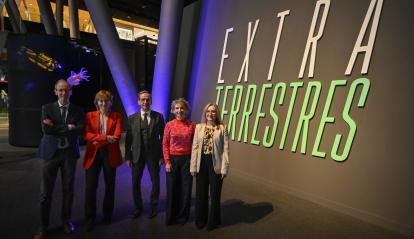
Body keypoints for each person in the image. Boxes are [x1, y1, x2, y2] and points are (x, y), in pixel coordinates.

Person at [35, 80, 84, 239]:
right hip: (50, 154)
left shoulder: (77, 110)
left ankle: (66, 221)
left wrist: (57, 127)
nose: (63, 93)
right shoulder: (46, 108)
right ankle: (43, 227)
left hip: (69, 155)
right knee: (45, 193)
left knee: (68, 190)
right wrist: (68, 127)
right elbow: (46, 130)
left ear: (71, 91)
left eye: (66, 90)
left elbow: (80, 130)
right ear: (55, 91)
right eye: (60, 90)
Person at [83, 90, 122, 232]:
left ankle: (107, 216)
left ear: (110, 102)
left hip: (110, 154)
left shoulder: (117, 116)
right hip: (93, 154)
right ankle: (89, 219)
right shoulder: (89, 116)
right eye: (101, 101)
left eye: (106, 101)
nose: (103, 104)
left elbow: (116, 136)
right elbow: (87, 135)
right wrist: (105, 138)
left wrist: (96, 138)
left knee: (109, 187)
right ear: (97, 102)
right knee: (90, 188)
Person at [125, 90, 165, 219]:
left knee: (155, 182)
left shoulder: (158, 117)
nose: (145, 102)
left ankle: (153, 207)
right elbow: (128, 140)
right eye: (142, 99)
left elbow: (163, 138)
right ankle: (138, 208)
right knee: (135, 183)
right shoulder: (132, 119)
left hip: (153, 155)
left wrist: (162, 156)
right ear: (138, 101)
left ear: (151, 101)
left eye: (147, 99)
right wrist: (128, 157)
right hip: (137, 155)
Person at [190, 103, 229, 230]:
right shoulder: (199, 127)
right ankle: (201, 220)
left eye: (213, 111)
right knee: (201, 194)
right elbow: (195, 148)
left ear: (216, 113)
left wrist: (224, 168)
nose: (210, 114)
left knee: (215, 194)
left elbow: (225, 150)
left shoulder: (222, 128)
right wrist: (193, 167)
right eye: (208, 111)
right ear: (205, 113)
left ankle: (214, 221)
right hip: (202, 163)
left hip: (215, 164)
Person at [163, 98, 196, 225]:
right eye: (177, 108)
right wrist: (167, 162)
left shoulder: (192, 125)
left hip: (187, 160)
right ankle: (170, 217)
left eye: (182, 108)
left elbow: (195, 145)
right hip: (172, 160)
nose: (179, 110)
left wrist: (193, 163)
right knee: (172, 189)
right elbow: (165, 144)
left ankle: (183, 217)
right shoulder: (169, 125)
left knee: (186, 190)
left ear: (186, 110)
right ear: (173, 110)